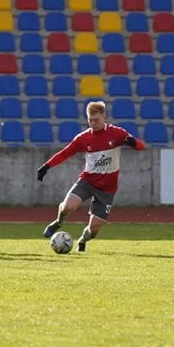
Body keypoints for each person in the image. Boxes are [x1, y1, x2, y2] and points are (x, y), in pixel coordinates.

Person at [36, 101, 145, 252]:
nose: (93, 123)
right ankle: (58, 222)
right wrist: (47, 166)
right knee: (68, 206)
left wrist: (134, 143)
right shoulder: (83, 138)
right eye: (90, 120)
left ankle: (83, 239)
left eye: (96, 120)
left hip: (107, 189)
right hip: (88, 181)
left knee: (94, 229)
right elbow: (65, 153)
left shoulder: (117, 133)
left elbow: (141, 146)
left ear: (104, 117)